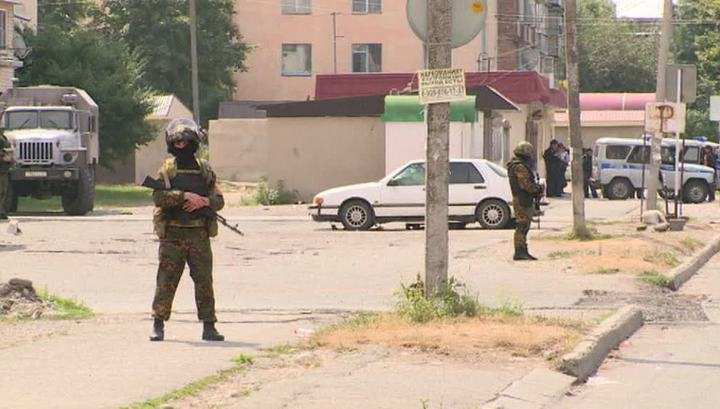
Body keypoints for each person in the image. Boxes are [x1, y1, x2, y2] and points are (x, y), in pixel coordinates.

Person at [149, 119, 225, 342]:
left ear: (193, 143)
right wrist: (183, 196)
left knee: (204, 281)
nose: (180, 145)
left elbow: (219, 200)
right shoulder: (167, 169)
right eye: (177, 142)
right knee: (166, 280)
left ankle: (209, 326)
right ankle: (158, 324)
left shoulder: (205, 169)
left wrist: (204, 201)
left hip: (198, 234)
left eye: (184, 142)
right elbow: (158, 196)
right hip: (173, 234)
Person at [507, 142, 545, 261]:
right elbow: (526, 185)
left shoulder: (518, 165)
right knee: (522, 226)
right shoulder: (519, 167)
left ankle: (522, 250)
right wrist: (537, 188)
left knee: (524, 226)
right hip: (521, 199)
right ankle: (520, 252)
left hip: (523, 198)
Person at [0, 129, 13, 219]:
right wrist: (3, 154)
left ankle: (2, 211)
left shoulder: (3, 138)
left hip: (4, 169)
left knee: (4, 191)